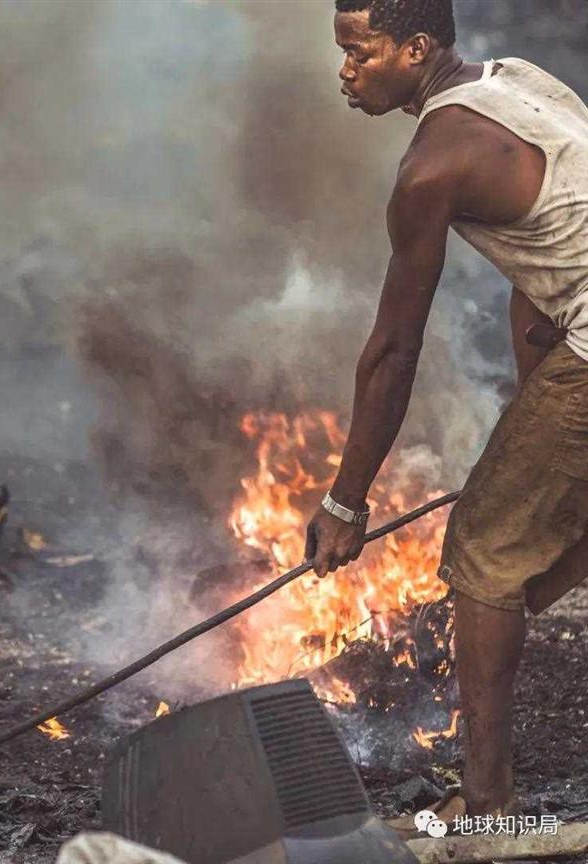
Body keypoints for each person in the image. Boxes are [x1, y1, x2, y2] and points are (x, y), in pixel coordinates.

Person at [304, 0, 588, 825]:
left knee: (484, 555)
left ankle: (492, 811)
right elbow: (540, 281)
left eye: (360, 52)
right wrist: (535, 406)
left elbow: (395, 349)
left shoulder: (431, 169)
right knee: (539, 525)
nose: (345, 71)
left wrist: (344, 500)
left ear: (416, 48)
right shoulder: (519, 83)